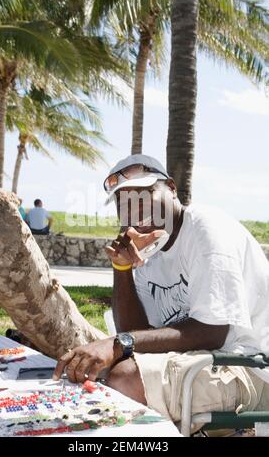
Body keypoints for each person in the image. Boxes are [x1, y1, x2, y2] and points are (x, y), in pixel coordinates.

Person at [53, 154, 269, 429]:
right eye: (125, 203)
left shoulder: (207, 229)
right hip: (208, 360)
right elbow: (139, 331)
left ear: (171, 188)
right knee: (95, 370)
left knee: (125, 378)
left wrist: (118, 343)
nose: (135, 210)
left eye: (144, 195)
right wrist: (122, 269)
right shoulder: (149, 250)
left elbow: (212, 332)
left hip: (251, 368)